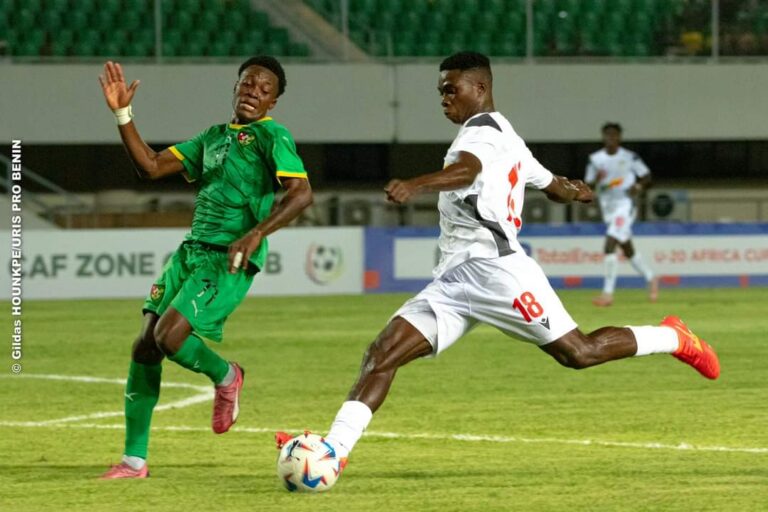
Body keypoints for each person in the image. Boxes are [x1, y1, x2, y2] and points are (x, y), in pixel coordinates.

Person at [277, 52, 720, 480]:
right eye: (440, 91)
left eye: (451, 89)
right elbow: (552, 185)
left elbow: (466, 172)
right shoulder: (507, 137)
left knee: (579, 353)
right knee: (381, 355)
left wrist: (416, 184)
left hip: (498, 272)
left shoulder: (480, 136)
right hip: (453, 281)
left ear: (480, 87)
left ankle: (673, 337)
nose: (444, 98)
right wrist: (574, 191)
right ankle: (334, 452)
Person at [98, 57, 312, 479]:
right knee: (144, 346)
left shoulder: (273, 136)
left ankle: (226, 375)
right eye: (247, 83)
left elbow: (301, 193)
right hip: (190, 253)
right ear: (235, 87)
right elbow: (150, 166)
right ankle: (134, 461)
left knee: (168, 337)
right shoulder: (212, 137)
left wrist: (255, 234)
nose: (253, 92)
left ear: (273, 102)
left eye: (264, 89)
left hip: (229, 258)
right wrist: (123, 114)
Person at [586, 122, 658, 307]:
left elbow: (647, 176)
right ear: (603, 137)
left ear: (619, 137)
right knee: (628, 250)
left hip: (625, 205)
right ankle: (651, 278)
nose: (611, 138)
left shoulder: (629, 157)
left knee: (610, 244)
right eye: (607, 135)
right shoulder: (595, 159)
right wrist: (595, 181)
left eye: (614, 135)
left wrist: (639, 186)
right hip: (608, 207)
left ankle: (607, 294)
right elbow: (588, 185)